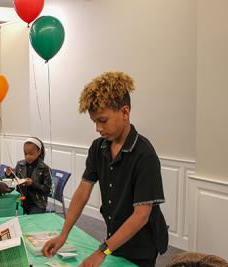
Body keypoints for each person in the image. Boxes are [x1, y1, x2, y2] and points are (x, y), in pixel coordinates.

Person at [42, 71, 168, 267]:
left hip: (141, 245)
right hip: (114, 238)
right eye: (94, 122)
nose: (98, 128)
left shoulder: (145, 155)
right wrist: (63, 235)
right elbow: (83, 192)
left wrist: (102, 251)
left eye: (103, 120)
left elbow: (141, 215)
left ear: (125, 112)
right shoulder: (98, 147)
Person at [4, 137, 52, 214]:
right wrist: (9, 175)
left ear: (39, 152)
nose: (27, 156)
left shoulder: (44, 168)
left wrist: (33, 184)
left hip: (37, 203)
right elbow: (15, 181)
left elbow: (47, 189)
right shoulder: (20, 164)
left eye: (31, 154)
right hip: (21, 200)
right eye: (25, 154)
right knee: (8, 214)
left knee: (32, 222)